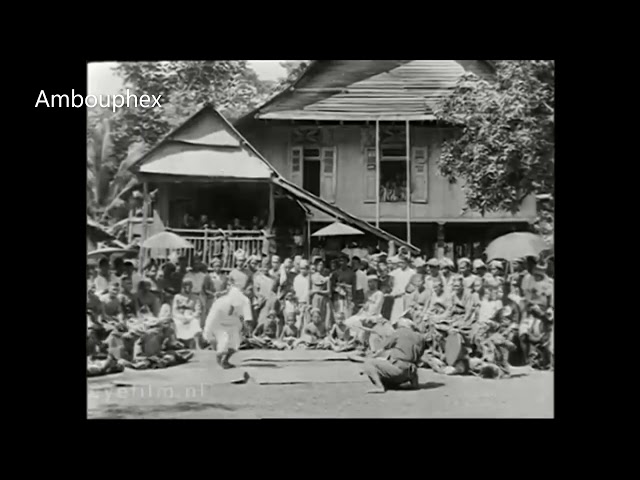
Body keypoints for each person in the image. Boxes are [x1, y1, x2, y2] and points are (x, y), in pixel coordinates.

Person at [361, 318, 425, 394]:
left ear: (400, 325)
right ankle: (414, 384)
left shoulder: (398, 333)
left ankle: (379, 387)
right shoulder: (420, 337)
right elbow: (420, 354)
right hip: (412, 372)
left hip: (398, 369)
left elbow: (383, 347)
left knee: (369, 362)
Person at [203, 281, 252, 368]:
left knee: (235, 344)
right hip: (219, 323)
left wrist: (245, 328)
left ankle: (225, 360)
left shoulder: (245, 301)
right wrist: (208, 333)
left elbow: (246, 318)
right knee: (223, 343)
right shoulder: (220, 301)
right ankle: (219, 356)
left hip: (233, 323)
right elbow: (211, 319)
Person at [519, 262, 554, 368]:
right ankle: (528, 359)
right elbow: (524, 295)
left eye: (541, 271)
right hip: (528, 310)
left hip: (542, 312)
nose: (538, 273)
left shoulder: (550, 283)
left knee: (540, 336)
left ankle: (543, 359)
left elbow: (551, 300)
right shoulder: (527, 279)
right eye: (536, 270)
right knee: (523, 334)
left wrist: (547, 311)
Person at [172, 278, 202, 349]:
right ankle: (178, 343)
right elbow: (174, 310)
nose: (187, 287)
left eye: (189, 285)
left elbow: (198, 310)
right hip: (180, 316)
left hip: (190, 316)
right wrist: (181, 318)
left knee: (195, 323)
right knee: (177, 324)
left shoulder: (196, 297)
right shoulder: (177, 296)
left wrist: (191, 318)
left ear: (191, 287)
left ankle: (196, 344)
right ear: (183, 286)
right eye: (185, 285)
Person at [390, 255, 416, 322]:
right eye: (399, 263)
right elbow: (392, 283)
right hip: (397, 297)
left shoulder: (412, 273)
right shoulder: (396, 272)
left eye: (402, 262)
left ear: (407, 262)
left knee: (405, 318)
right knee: (395, 318)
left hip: (407, 297)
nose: (400, 264)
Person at [310, 258, 333, 331]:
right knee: (315, 314)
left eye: (322, 265)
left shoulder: (326, 278)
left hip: (323, 298)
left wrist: (317, 291)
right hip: (315, 299)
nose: (320, 266)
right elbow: (310, 290)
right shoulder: (312, 277)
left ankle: (323, 331)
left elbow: (329, 292)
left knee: (323, 316)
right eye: (319, 265)